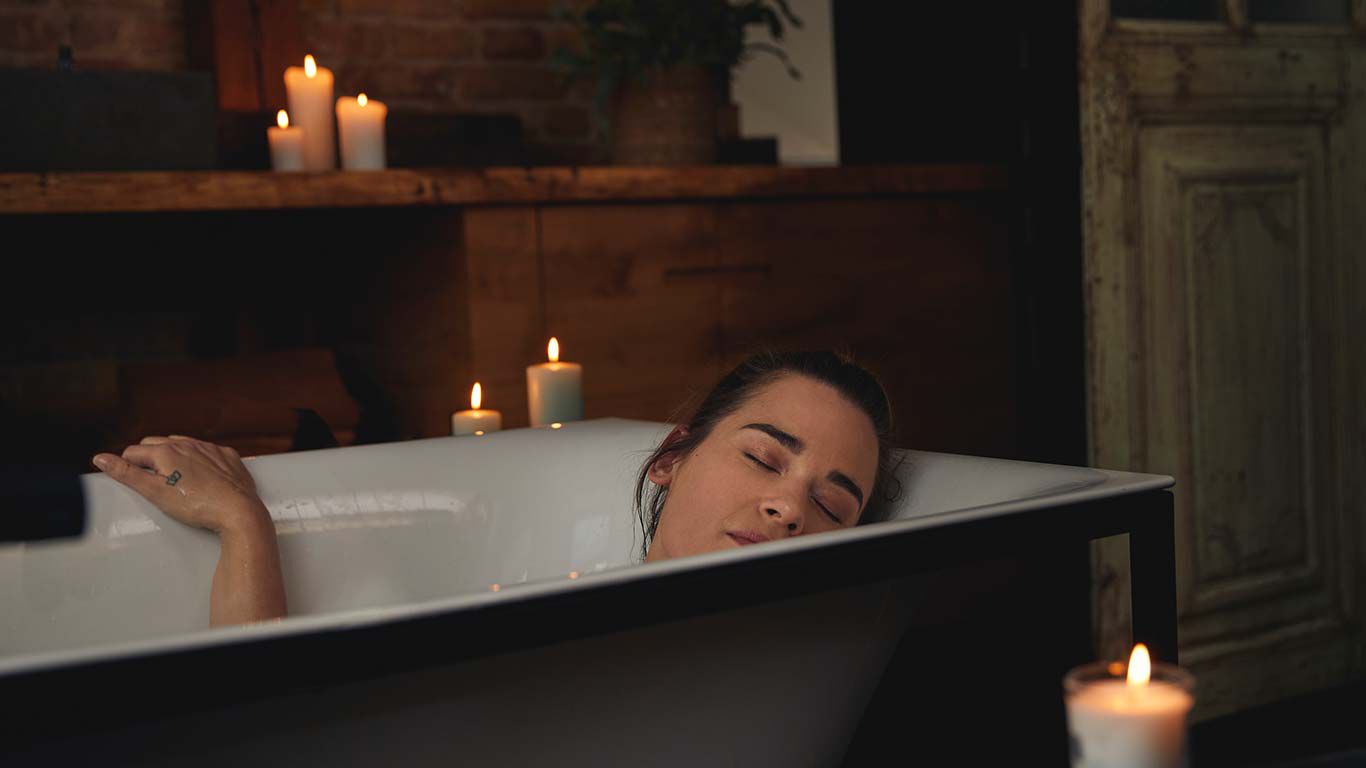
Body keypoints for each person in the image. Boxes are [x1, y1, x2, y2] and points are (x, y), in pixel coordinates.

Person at [91, 349, 901, 626]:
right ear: (671, 457)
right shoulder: (554, 606)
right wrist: (243, 522)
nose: (789, 506)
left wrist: (242, 525)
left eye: (833, 506)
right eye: (765, 459)